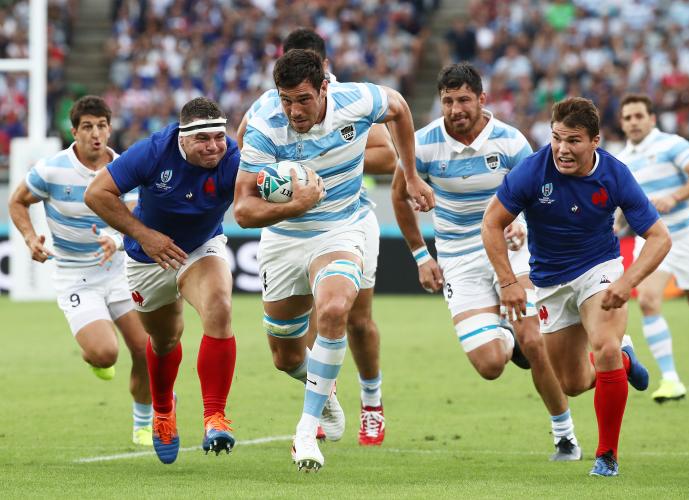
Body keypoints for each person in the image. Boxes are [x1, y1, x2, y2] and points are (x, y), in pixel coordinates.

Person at [234, 48, 433, 472]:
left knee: (337, 307)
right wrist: (295, 203)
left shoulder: (354, 100)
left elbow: (398, 106)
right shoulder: (265, 122)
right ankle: (324, 391)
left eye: (303, 99)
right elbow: (243, 211)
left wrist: (410, 173)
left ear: (325, 87)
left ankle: (306, 432)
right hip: (284, 239)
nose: (294, 110)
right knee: (285, 357)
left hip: (340, 228)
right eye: (286, 100)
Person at [392, 62, 582, 461]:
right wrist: (421, 256)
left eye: (463, 99)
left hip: (512, 250)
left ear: (482, 99)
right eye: (447, 101)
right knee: (490, 364)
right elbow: (399, 195)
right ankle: (508, 340)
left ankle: (564, 436)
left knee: (533, 340)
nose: (455, 108)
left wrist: (523, 226)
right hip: (458, 258)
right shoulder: (423, 143)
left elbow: (540, 195)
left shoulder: (511, 142)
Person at [482, 97, 671, 476]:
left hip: (599, 269)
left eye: (574, 141)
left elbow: (659, 237)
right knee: (572, 383)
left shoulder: (615, 175)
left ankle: (607, 455)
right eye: (556, 138)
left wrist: (627, 280)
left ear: (595, 141)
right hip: (550, 282)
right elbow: (491, 223)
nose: (563, 149)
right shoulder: (533, 171)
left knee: (604, 350)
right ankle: (626, 359)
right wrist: (507, 282)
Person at [84, 97, 240, 465]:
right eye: (203, 139)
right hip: (146, 259)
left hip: (201, 248)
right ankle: (163, 411)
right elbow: (97, 193)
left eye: (219, 136)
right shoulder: (153, 151)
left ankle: (214, 417)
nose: (214, 146)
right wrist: (145, 235)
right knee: (165, 339)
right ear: (182, 139)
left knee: (218, 306)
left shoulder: (232, 157)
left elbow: (251, 200)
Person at [8, 95, 153, 446]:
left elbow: (137, 220)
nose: (95, 133)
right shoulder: (51, 169)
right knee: (106, 353)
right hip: (75, 275)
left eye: (101, 125)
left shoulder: (124, 169)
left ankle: (144, 422)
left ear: (109, 128)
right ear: (74, 132)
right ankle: (96, 355)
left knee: (147, 349)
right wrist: (30, 239)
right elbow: (17, 201)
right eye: (87, 127)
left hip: (120, 271)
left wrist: (117, 240)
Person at [616, 93, 689, 403]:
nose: (634, 122)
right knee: (649, 301)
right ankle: (671, 380)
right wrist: (614, 224)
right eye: (628, 118)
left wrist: (675, 197)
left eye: (639, 116)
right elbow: (624, 204)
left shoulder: (671, 144)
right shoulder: (622, 160)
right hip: (650, 241)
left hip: (685, 237)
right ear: (622, 124)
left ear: (652, 119)